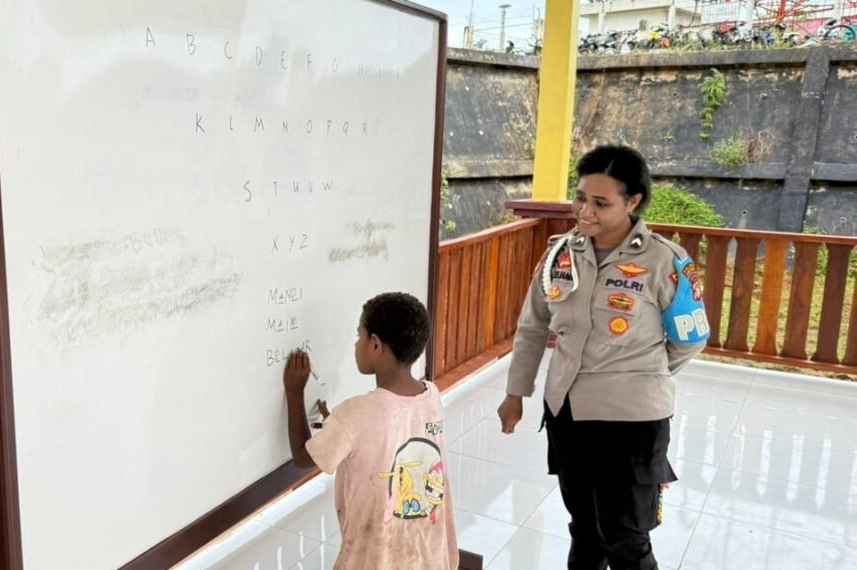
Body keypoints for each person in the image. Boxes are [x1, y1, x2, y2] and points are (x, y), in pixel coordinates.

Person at [497, 145, 710, 570]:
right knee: (584, 529)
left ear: (632, 202)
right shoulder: (560, 253)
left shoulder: (663, 261)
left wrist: (641, 375)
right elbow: (532, 326)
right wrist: (515, 392)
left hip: (632, 423)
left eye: (600, 203)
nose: (585, 211)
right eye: (580, 198)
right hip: (568, 413)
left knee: (626, 538)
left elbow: (690, 338)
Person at [283, 292, 459, 569]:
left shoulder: (354, 415)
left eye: (359, 336)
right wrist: (335, 423)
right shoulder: (431, 395)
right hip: (428, 557)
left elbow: (302, 458)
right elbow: (387, 432)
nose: (355, 344)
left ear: (375, 345)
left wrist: (294, 393)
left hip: (374, 560)